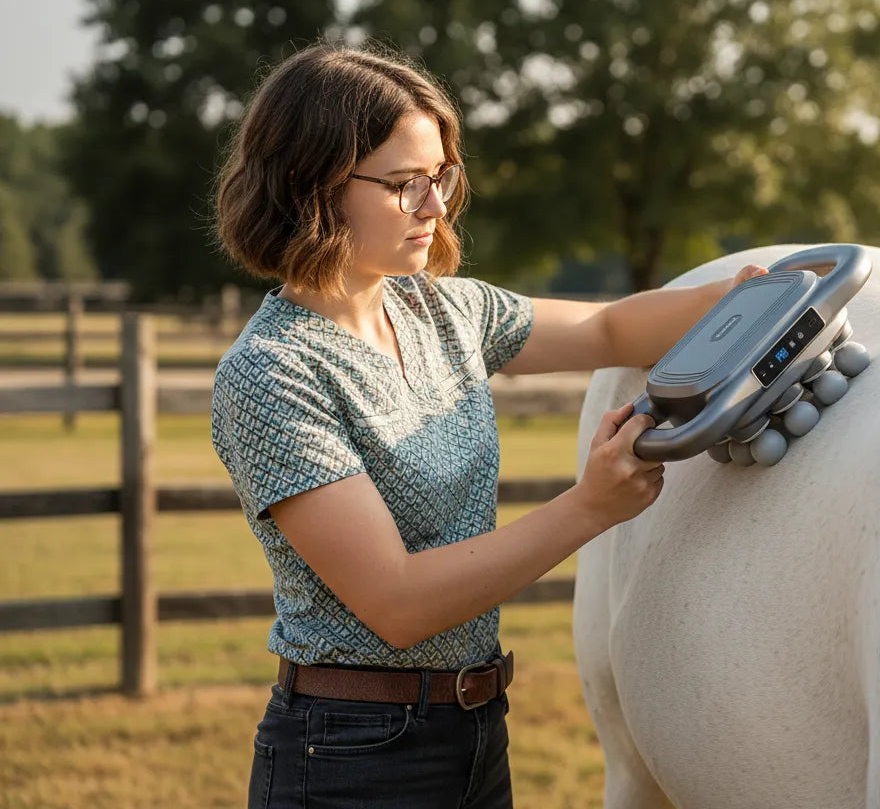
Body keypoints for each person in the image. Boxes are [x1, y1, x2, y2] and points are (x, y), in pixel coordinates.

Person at [210, 40, 766, 808]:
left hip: (473, 730)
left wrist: (745, 297)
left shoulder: (442, 308)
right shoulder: (271, 374)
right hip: (348, 755)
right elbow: (397, 603)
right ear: (314, 185)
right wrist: (589, 508)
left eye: (440, 178)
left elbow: (608, 330)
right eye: (405, 185)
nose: (435, 208)